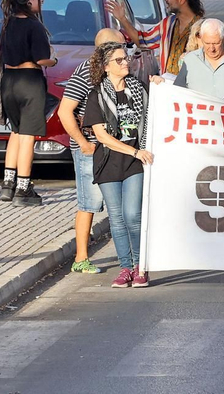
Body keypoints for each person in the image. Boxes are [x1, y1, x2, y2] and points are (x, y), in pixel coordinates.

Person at [83, 40, 154, 288]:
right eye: (119, 60)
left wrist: (159, 83)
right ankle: (126, 268)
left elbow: (155, 110)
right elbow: (101, 136)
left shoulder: (139, 88)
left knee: (132, 215)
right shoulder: (97, 95)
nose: (126, 63)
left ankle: (140, 266)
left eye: (127, 58)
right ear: (105, 66)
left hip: (135, 162)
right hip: (109, 162)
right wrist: (134, 151)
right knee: (116, 218)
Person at [58, 29, 125, 273]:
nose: (124, 55)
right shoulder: (85, 73)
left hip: (115, 145)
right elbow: (64, 111)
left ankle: (131, 257)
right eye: (119, 48)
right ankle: (81, 258)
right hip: (91, 148)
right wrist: (84, 144)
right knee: (90, 203)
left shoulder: (119, 71)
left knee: (122, 203)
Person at [0, 0, 57, 206]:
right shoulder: (35, 26)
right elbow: (41, 59)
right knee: (28, 136)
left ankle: (7, 184)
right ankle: (23, 188)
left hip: (9, 81)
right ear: (28, 1)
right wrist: (54, 60)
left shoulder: (7, 24)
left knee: (16, 131)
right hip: (29, 81)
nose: (41, 1)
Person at [172, 18, 224, 96]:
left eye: (216, 43)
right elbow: (177, 92)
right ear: (201, 38)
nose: (212, 49)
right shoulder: (189, 60)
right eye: (207, 43)